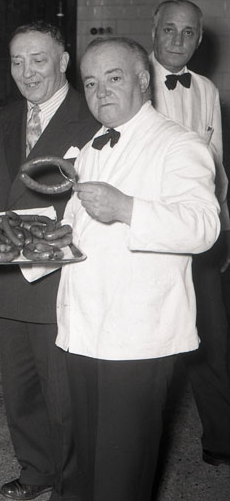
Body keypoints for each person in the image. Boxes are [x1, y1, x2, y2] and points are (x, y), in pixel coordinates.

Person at [57, 36, 220, 501]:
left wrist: (127, 208)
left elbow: (204, 227)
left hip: (138, 335)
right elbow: (77, 230)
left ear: (143, 80)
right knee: (89, 461)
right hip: (84, 328)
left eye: (114, 78)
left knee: (122, 473)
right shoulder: (90, 149)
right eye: (91, 82)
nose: (101, 91)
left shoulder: (179, 144)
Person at [0, 22, 99, 500]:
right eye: (17, 61)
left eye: (38, 59)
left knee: (64, 394)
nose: (27, 71)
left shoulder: (91, 115)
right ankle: (35, 470)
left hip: (61, 277)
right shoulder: (4, 116)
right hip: (8, 274)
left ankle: (71, 484)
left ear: (63, 61)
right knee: (19, 387)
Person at [150, 0, 230, 468]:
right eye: (170, 29)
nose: (178, 40)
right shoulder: (133, 80)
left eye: (188, 32)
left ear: (199, 39)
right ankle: (145, 446)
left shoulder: (206, 89)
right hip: (152, 235)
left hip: (200, 234)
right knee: (155, 345)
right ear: (154, 31)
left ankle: (220, 438)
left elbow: (217, 166)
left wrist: (223, 229)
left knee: (214, 339)